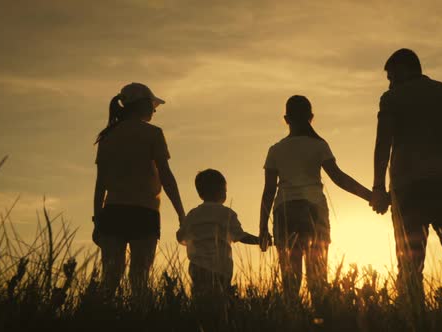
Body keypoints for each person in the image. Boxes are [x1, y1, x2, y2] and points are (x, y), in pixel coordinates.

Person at [370, 49, 442, 308]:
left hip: (408, 192)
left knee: (410, 266)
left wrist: (379, 187)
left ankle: (414, 322)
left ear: (403, 69)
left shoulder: (391, 98)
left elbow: (383, 144)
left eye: (391, 76)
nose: (389, 82)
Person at [259, 95, 372, 306]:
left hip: (285, 211)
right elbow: (339, 178)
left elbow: (268, 191)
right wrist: (370, 196)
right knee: (317, 279)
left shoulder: (275, 150)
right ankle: (321, 320)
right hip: (314, 210)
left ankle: (291, 322)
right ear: (311, 117)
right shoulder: (319, 145)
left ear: (286, 119)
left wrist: (263, 228)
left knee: (290, 282)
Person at [93, 82, 186, 296]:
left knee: (110, 276)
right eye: (152, 105)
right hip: (144, 212)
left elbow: (101, 185)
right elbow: (166, 176)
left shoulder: (107, 136)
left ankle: (98, 318)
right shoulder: (153, 134)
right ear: (142, 105)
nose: (154, 110)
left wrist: (97, 220)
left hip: (113, 212)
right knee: (140, 278)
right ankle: (140, 320)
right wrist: (181, 213)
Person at [177, 169, 265, 299]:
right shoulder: (227, 213)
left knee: (200, 299)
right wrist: (261, 240)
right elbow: (241, 236)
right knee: (221, 299)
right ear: (221, 191)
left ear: (200, 194)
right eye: (225, 190)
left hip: (197, 267)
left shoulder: (192, 214)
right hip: (221, 267)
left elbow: (181, 237)